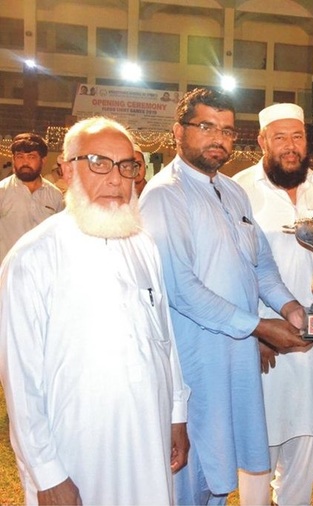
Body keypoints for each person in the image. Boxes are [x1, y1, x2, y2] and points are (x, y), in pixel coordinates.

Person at [0, 116, 190, 505]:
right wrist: (47, 474)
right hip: (76, 449)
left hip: (149, 434)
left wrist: (176, 414)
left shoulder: (143, 244)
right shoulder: (33, 256)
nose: (116, 179)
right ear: (67, 170)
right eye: (99, 163)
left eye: (126, 166)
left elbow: (164, 339)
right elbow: (20, 380)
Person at [139, 88, 309, 505]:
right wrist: (258, 327)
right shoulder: (165, 195)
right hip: (196, 360)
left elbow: (260, 265)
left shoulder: (233, 191)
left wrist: (290, 307)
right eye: (206, 126)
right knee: (189, 473)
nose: (219, 138)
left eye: (228, 131)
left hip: (236, 356)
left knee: (219, 472)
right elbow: (180, 288)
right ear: (178, 131)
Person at [232, 103, 313, 505]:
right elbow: (232, 269)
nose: (290, 146)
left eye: (297, 137)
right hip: (267, 342)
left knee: (308, 443)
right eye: (280, 137)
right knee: (259, 450)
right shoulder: (239, 189)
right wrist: (254, 332)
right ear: (262, 141)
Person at [0, 133, 64, 262]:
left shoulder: (55, 195)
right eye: (20, 156)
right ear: (13, 159)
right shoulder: (2, 191)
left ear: (43, 160)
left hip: (43, 268)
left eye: (31, 157)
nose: (25, 162)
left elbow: (60, 236)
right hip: (8, 269)